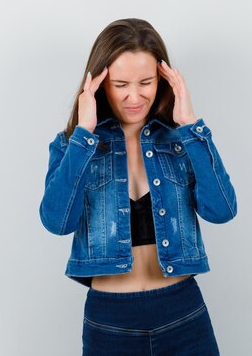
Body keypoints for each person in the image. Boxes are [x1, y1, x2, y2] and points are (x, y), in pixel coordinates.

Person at [38, 18, 238, 356]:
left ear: (162, 79)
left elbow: (222, 210)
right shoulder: (74, 144)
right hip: (110, 320)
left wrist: (191, 127)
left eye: (146, 82)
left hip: (183, 313)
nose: (135, 96)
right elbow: (57, 222)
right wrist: (84, 136)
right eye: (121, 84)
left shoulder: (180, 140)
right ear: (100, 83)